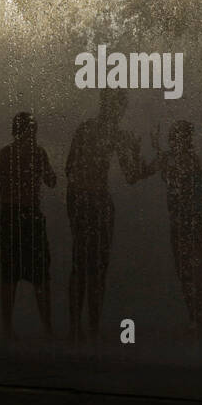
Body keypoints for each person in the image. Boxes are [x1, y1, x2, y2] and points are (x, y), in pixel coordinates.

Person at [65, 89, 153, 341]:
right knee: (95, 266)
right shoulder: (114, 133)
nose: (119, 112)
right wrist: (148, 159)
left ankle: (79, 328)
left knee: (82, 264)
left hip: (81, 198)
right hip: (94, 200)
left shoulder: (88, 129)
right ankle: (89, 328)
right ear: (113, 107)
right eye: (119, 107)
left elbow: (69, 167)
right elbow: (133, 175)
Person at [151, 120, 202, 335]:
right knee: (184, 275)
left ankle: (201, 320)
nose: (174, 141)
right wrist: (154, 149)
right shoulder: (172, 158)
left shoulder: (192, 159)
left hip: (194, 220)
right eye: (173, 137)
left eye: (179, 137)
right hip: (179, 221)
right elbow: (157, 170)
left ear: (186, 140)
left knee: (195, 274)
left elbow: (177, 173)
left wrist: (157, 149)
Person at [0, 112, 56, 338]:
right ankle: (47, 328)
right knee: (40, 274)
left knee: (9, 274)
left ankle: (7, 329)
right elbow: (52, 181)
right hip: (30, 215)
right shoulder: (37, 154)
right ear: (30, 131)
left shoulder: (3, 155)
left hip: (9, 215)